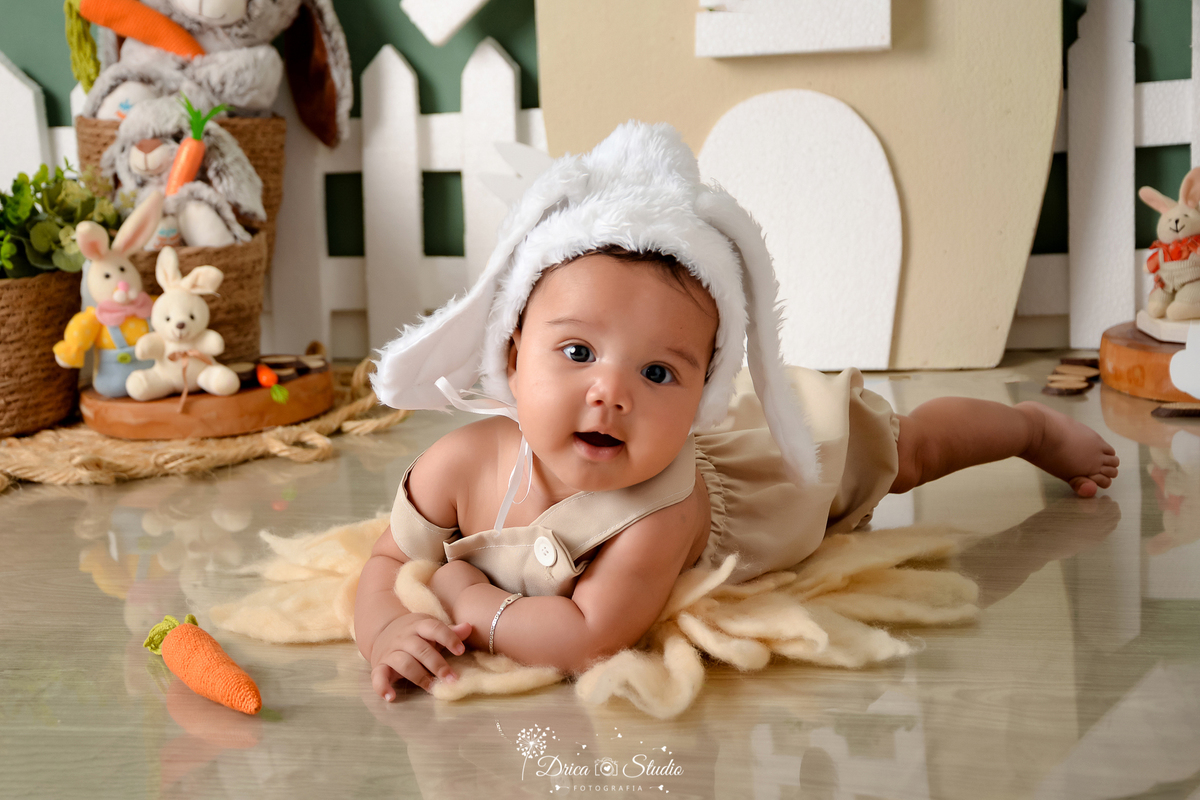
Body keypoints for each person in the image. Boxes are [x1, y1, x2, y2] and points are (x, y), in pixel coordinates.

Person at [354, 123, 1119, 700]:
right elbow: (389, 561)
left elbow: (584, 638)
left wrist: (462, 593)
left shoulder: (658, 513)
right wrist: (387, 626)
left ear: (700, 397)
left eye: (658, 372)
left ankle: (1029, 428)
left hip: (782, 478)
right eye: (578, 353)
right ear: (513, 355)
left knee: (909, 452)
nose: (610, 393)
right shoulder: (460, 465)